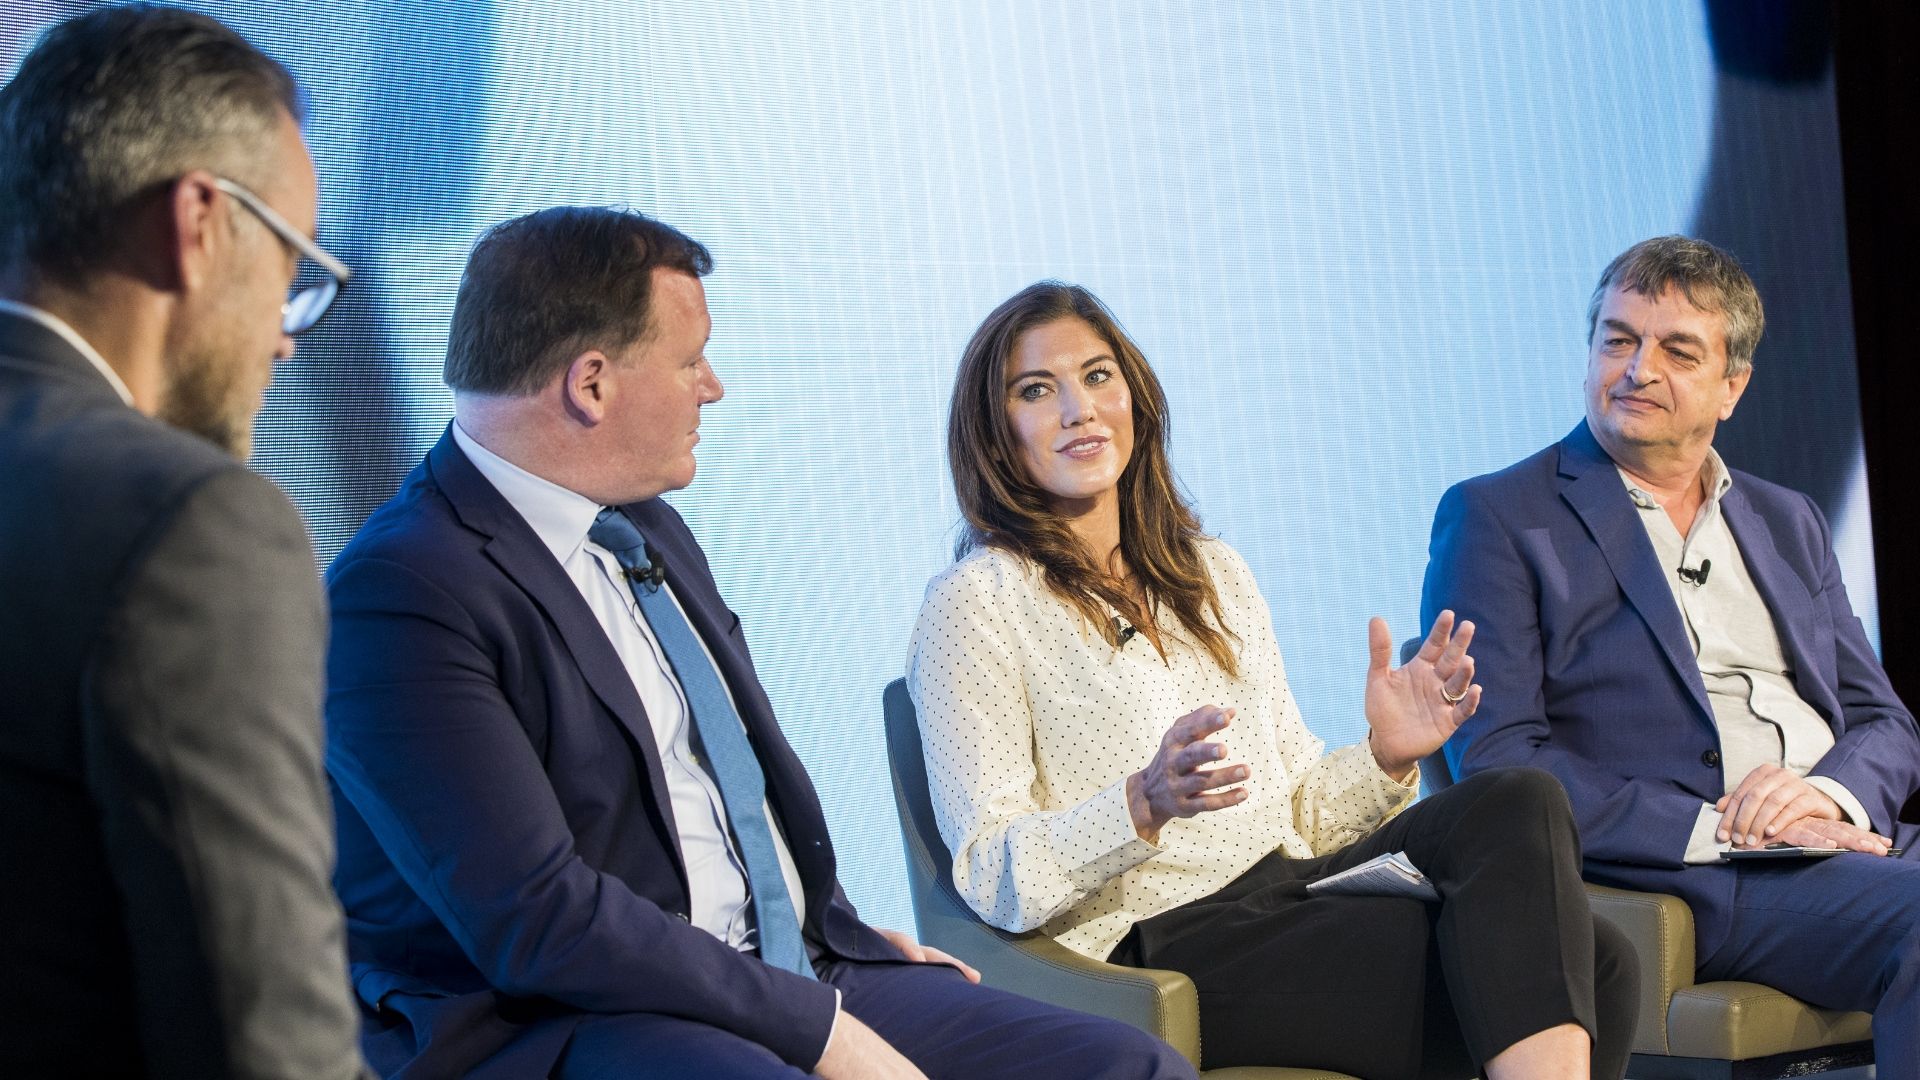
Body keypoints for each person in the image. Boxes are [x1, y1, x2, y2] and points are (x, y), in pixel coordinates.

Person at [325, 207, 1195, 1079]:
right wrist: (815, 1025)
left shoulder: (645, 528)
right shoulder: (400, 596)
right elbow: (540, 922)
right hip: (570, 1019)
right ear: (591, 384)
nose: (713, 386)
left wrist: (830, 939)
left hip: (777, 972)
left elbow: (720, 791)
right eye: (688, 359)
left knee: (1129, 1067)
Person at [907, 281, 1638, 1079]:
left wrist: (1387, 756)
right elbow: (988, 868)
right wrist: (1140, 802)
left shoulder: (1211, 572)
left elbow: (1302, 814)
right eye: (1036, 390)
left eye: (1097, 376)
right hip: (1165, 946)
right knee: (1579, 966)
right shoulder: (977, 602)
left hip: (1293, 891)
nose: (1079, 409)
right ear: (996, 432)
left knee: (1525, 808)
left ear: (1134, 398)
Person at [1421, 235, 1920, 1070]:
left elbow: (1884, 720)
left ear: (1733, 387)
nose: (1636, 369)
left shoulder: (1786, 518)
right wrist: (1726, 830)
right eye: (1618, 339)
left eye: (1676, 350)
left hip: (1841, 843)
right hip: (1707, 877)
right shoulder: (1500, 516)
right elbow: (1503, 765)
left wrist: (1826, 799)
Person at [0, 7, 365, 1078]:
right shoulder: (192, 526)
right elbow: (265, 1041)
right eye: (296, 262)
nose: (288, 336)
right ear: (200, 221)